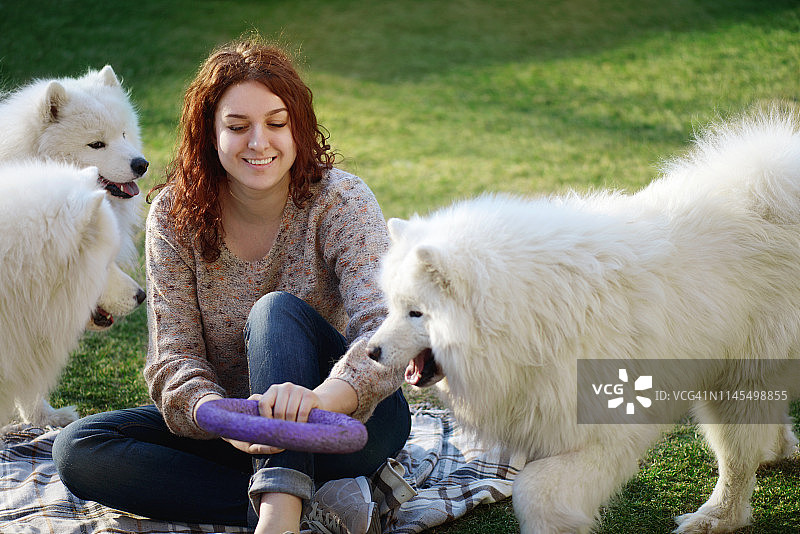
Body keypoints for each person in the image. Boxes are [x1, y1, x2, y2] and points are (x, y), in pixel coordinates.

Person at [53, 35, 411, 534]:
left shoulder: (340, 200)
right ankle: (314, 504)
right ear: (210, 134)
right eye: (238, 127)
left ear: (298, 128)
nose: (258, 142)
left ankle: (279, 517)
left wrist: (320, 398)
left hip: (349, 422)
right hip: (235, 431)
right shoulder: (174, 217)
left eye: (276, 124)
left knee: (274, 311)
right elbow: (171, 357)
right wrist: (228, 418)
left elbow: (384, 327)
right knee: (79, 450)